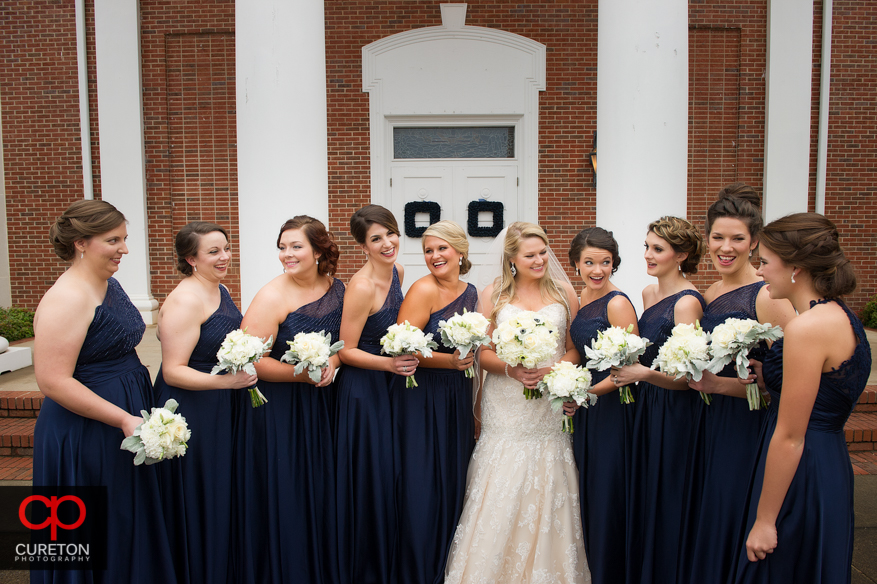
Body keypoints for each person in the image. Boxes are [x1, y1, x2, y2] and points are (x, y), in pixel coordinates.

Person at [31, 200, 175, 583]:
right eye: (113, 240)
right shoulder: (67, 297)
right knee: (97, 528)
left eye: (124, 239)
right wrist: (124, 418)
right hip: (88, 430)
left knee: (125, 521)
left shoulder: (109, 282)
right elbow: (53, 380)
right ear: (80, 242)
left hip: (123, 417)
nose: (124, 249)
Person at [444, 221, 590, 584]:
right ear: (512, 259)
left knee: (548, 477)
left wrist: (553, 368)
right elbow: (483, 353)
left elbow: (573, 348)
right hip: (506, 403)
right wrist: (513, 370)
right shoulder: (493, 294)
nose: (540, 260)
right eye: (530, 255)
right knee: (501, 483)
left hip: (547, 404)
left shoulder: (564, 293)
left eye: (543, 253)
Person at [734, 213, 871, 584]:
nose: (759, 272)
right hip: (829, 460)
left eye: (764, 262)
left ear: (795, 267)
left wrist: (764, 520)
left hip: (801, 467)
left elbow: (790, 434)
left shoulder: (806, 327)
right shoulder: (841, 314)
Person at [677, 186, 795, 584]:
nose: (725, 247)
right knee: (709, 510)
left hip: (746, 425)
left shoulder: (766, 295)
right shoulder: (710, 293)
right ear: (706, 238)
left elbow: (792, 382)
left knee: (733, 508)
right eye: (718, 237)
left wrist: (720, 387)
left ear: (754, 242)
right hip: (709, 422)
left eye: (737, 239)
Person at [233, 216, 344, 584]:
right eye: (282, 247)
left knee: (327, 489)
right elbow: (250, 362)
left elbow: (346, 341)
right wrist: (302, 371)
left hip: (328, 404)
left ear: (318, 251)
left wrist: (332, 359)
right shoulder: (271, 295)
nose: (287, 254)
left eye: (296, 246)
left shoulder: (338, 288)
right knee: (292, 490)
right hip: (284, 411)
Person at [153, 222, 257, 584]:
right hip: (193, 409)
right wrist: (228, 382)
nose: (225, 257)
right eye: (213, 251)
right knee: (200, 492)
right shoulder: (185, 300)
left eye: (226, 248)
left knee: (221, 491)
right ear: (190, 258)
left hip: (221, 404)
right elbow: (173, 371)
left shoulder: (220, 288)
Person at [613, 216, 705, 584]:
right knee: (645, 488)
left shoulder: (687, 304)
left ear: (681, 255)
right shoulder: (650, 294)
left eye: (658, 249)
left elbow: (691, 377)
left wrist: (645, 374)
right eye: (647, 247)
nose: (648, 255)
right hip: (646, 405)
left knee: (667, 490)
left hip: (674, 408)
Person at [391, 220, 478, 584]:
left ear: (460, 251)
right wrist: (449, 362)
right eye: (428, 250)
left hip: (457, 396)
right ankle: (419, 565)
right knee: (422, 479)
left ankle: (449, 563)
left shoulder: (472, 292)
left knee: (454, 476)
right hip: (421, 395)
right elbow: (402, 348)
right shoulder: (421, 290)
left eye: (442, 248)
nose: (435, 256)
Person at [335, 205, 414, 584]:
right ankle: (367, 566)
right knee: (373, 472)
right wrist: (387, 365)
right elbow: (345, 349)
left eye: (391, 234)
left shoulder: (398, 272)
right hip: (364, 390)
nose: (387, 244)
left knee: (395, 468)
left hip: (392, 383)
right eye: (376, 239)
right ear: (362, 246)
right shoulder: (361, 286)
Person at [567, 227, 638, 584]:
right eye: (590, 262)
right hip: (587, 407)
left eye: (605, 262)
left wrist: (586, 395)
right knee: (588, 486)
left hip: (611, 408)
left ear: (614, 263)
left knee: (608, 488)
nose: (598, 270)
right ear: (576, 264)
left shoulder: (618, 303)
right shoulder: (584, 295)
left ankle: (611, 570)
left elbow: (630, 370)